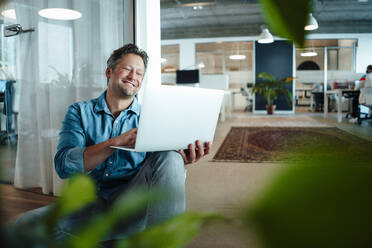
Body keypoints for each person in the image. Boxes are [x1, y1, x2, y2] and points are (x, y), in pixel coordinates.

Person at [13, 44, 210, 243]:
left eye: (140, 73)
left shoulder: (153, 116)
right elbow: (63, 166)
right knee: (23, 227)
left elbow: (161, 172)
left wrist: (180, 159)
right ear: (109, 71)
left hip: (132, 207)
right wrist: (115, 143)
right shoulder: (79, 112)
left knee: (170, 157)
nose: (134, 76)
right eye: (127, 69)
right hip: (89, 207)